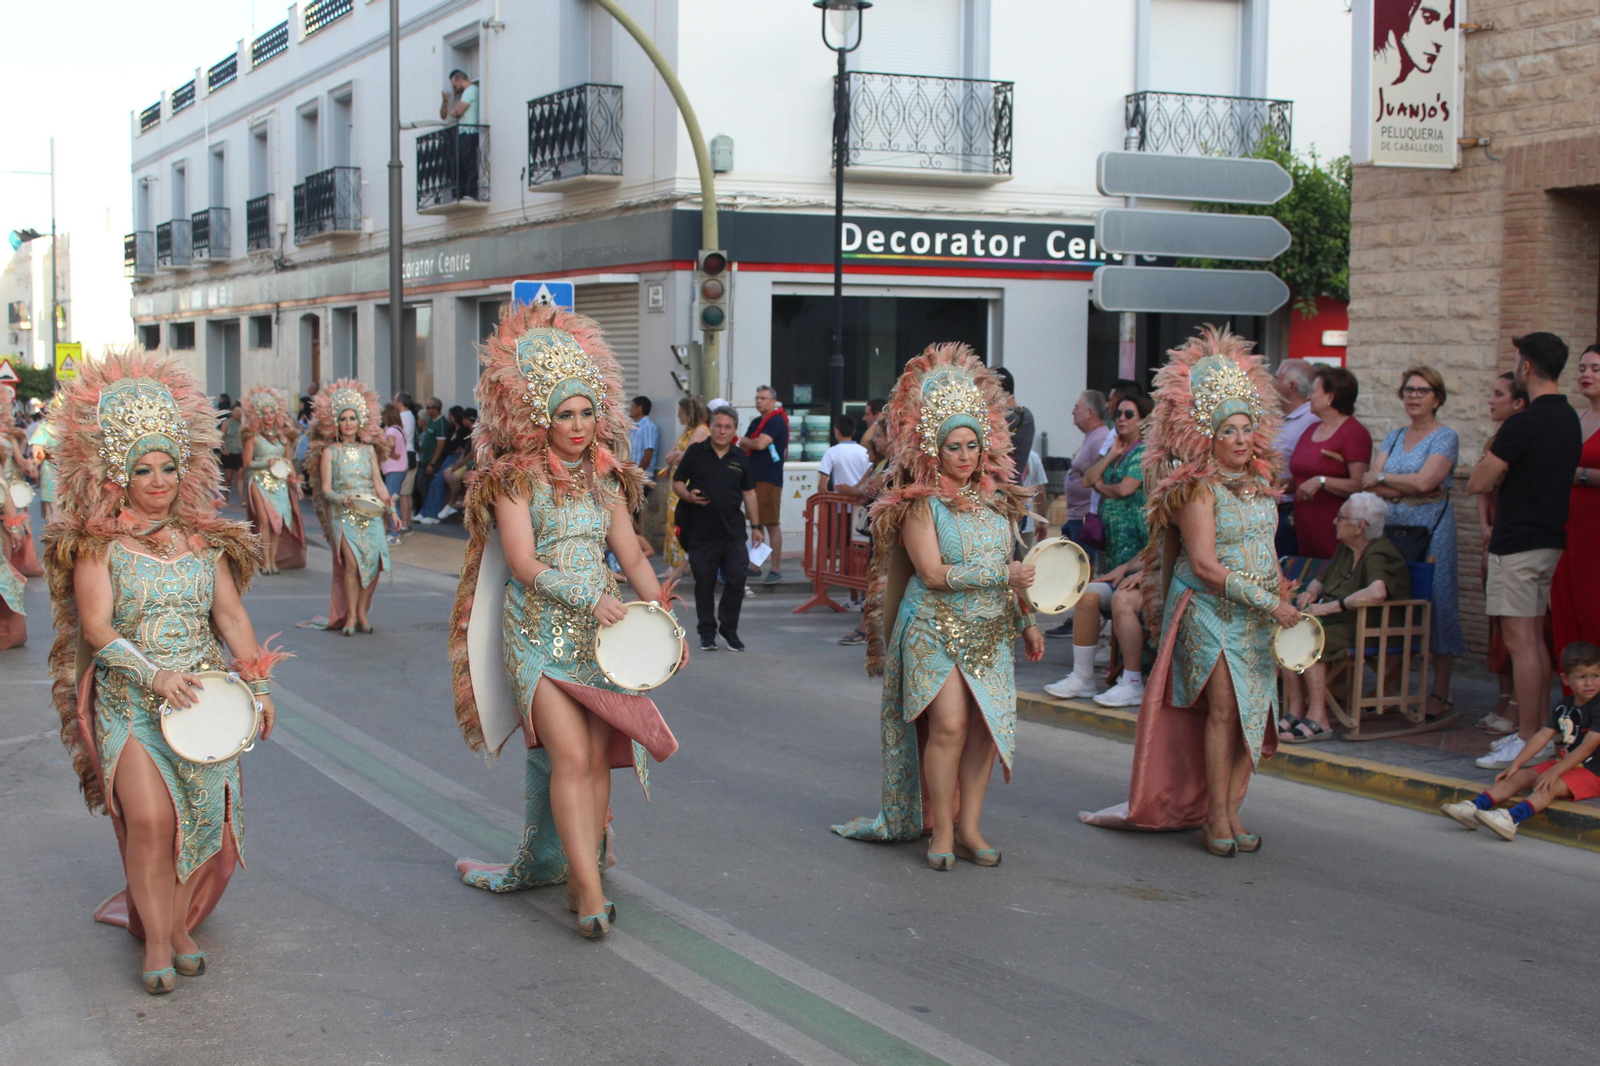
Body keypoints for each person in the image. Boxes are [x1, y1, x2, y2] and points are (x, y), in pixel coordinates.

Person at [43, 349, 287, 994]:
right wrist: (152, 676)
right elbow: (98, 628)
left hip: (205, 708)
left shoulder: (206, 543)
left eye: (168, 467)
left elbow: (231, 619)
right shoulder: (97, 546)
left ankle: (179, 924)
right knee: (150, 820)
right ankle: (156, 940)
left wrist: (258, 685)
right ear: (119, 476)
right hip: (131, 702)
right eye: (143, 469)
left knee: (199, 824)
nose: (158, 479)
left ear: (186, 471)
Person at [447, 304, 679, 939]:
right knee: (571, 754)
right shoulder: (515, 480)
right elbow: (522, 564)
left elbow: (630, 552)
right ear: (540, 416)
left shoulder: (605, 480)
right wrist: (586, 596)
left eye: (585, 412)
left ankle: (586, 875)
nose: (577, 426)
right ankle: (587, 889)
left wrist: (657, 614)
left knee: (598, 759)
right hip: (539, 634)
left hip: (601, 637)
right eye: (564, 414)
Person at [1083, 328, 1297, 856]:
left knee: (1250, 712)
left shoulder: (1261, 485)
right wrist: (1269, 601)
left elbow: (1266, 549)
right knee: (1223, 709)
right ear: (1209, 436)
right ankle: (1213, 818)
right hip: (1209, 609)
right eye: (1230, 430)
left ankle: (1230, 810)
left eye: (1248, 428)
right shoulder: (1196, 487)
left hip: (1256, 614)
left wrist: (1282, 591)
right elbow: (1203, 565)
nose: (1242, 439)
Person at [834, 343, 1044, 869]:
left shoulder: (1000, 503)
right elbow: (932, 574)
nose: (967, 455)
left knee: (982, 730)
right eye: (954, 446)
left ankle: (971, 827)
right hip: (934, 627)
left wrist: (1028, 620)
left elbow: (1011, 566)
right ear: (935, 448)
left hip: (991, 630)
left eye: (973, 444)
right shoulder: (917, 504)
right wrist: (1005, 576)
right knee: (949, 725)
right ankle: (943, 829)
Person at [1469, 332, 1582, 770]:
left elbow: (1479, 481)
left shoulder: (1526, 421)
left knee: (1522, 642)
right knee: (1533, 639)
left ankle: (1527, 736)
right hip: (1549, 539)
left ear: (1527, 367)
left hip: (1517, 543)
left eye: (1517, 359)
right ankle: (1533, 736)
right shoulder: (1569, 417)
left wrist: (1493, 463)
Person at [1363, 365, 1463, 717]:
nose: (1414, 397)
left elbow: (1424, 483)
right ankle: (1392, 683)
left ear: (1437, 398)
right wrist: (1401, 482)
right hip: (1393, 526)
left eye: (1422, 391)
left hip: (1432, 526)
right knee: (1394, 598)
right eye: (1409, 390)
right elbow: (1371, 484)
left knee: (1438, 600)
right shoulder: (1393, 436)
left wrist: (1388, 478)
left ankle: (1440, 691)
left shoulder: (1445, 436)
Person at [1044, 390, 1151, 704]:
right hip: (1119, 554)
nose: (1121, 419)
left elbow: (1121, 490)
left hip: (1142, 555)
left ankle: (1132, 681)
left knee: (1120, 598)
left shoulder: (1145, 454)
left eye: (1129, 414)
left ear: (1144, 420)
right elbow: (1089, 477)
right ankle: (1083, 678)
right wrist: (1111, 456)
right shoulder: (1118, 450)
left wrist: (1103, 484)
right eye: (1117, 413)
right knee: (1087, 594)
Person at [1278, 492, 1411, 742]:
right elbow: (1322, 579)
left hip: (1369, 627)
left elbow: (1377, 591)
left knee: (1310, 639)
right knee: (1287, 630)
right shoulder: (1346, 549)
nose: (1335, 522)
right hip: (1342, 624)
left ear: (1360, 526)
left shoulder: (1380, 551)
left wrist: (1330, 607)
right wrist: (1311, 591)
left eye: (1341, 518)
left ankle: (1319, 718)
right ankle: (1295, 710)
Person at [1440, 641, 1600, 842]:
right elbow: (1542, 735)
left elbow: (1588, 747)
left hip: (1594, 772)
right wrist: (1516, 764)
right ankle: (1473, 808)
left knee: (1547, 786)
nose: (1590, 683)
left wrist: (1555, 771)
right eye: (1582, 677)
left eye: (1596, 676)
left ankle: (1511, 819)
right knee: (1518, 776)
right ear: (1566, 679)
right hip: (1567, 763)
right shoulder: (1564, 706)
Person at [673, 407, 763, 651]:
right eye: (718, 426)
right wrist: (688, 496)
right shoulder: (695, 452)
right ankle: (707, 632)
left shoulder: (740, 457)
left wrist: (756, 526)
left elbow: (750, 493)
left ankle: (728, 629)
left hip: (733, 533)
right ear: (711, 427)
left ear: (735, 430)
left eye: (728, 427)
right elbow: (678, 482)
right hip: (701, 533)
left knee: (737, 578)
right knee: (704, 585)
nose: (722, 431)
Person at [309, 380, 391, 636]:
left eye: (352, 418)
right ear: (336, 422)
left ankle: (363, 613)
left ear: (360, 421)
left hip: (371, 514)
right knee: (352, 565)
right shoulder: (329, 452)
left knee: (370, 563)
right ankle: (351, 616)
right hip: (344, 514)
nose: (348, 423)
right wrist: (341, 499)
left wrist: (393, 510)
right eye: (343, 418)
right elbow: (325, 490)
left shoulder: (369, 451)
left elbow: (378, 483)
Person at [1475, 372, 1528, 734]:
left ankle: (1519, 706)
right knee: (1496, 623)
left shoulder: (1524, 437)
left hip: (1514, 540)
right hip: (1492, 537)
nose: (1491, 401)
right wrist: (1483, 528)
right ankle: (1503, 694)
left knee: (1517, 626)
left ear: (1518, 403)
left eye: (1498, 394)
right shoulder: (1495, 439)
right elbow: (1480, 487)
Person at [1549, 345, 1600, 693]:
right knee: (1567, 613)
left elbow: (1564, 470)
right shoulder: (1575, 418)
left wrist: (1577, 473)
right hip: (1566, 529)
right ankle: (1575, 709)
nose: (1586, 374)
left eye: (1596, 368)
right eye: (1582, 368)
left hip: (1595, 530)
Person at [1289, 365, 1371, 559]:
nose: (1308, 397)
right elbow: (1301, 479)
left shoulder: (1353, 433)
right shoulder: (1310, 430)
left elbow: (1360, 484)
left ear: (1330, 397)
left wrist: (1322, 481)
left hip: (1335, 529)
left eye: (1314, 391)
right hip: (1305, 529)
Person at [240, 385, 307, 574]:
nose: (269, 416)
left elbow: (288, 462)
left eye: (271, 413)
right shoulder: (252, 438)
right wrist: (265, 463)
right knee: (265, 520)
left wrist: (294, 481)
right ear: (259, 416)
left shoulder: (283, 439)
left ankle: (273, 561)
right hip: (259, 481)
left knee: (278, 522)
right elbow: (246, 463)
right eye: (265, 413)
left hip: (279, 483)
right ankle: (264, 561)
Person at [737, 386, 788, 582]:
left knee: (772, 524)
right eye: (757, 398)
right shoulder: (758, 421)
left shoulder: (775, 421)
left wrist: (747, 441)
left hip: (769, 478)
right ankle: (755, 565)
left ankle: (775, 569)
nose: (759, 401)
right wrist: (748, 441)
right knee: (757, 524)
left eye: (764, 398)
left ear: (773, 401)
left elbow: (758, 444)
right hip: (753, 478)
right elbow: (747, 443)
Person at [660, 396, 710, 581]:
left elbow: (686, 455)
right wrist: (678, 456)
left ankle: (680, 563)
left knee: (680, 521)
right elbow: (670, 456)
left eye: (681, 413)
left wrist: (678, 456)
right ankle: (673, 562)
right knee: (672, 521)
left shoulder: (700, 430)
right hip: (676, 481)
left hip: (687, 482)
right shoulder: (687, 431)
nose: (678, 416)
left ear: (689, 413)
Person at [1273, 359, 1317, 557]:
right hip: (1270, 506)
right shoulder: (1278, 417)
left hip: (1288, 508)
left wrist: (1273, 484)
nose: (1272, 384)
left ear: (1291, 386)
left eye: (1277, 379)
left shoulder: (1312, 419)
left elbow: (1311, 469)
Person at [1063, 390, 1111, 546]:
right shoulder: (1092, 436)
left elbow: (1102, 476)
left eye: (1077, 407)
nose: (1072, 412)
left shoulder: (1100, 438)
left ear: (1090, 412)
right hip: (1076, 518)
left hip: (1086, 519)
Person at [439, 69, 480, 200]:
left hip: (467, 131)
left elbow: (459, 112)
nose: (454, 89)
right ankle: (460, 193)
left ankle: (470, 193)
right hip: (457, 134)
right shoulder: (457, 96)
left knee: (469, 162)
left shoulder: (470, 91)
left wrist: (455, 112)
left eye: (455, 86)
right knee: (459, 165)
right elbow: (443, 115)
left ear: (460, 81)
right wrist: (445, 102)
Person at [380, 403, 409, 544]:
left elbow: (390, 444)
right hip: (401, 469)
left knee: (391, 502)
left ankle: (395, 533)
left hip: (393, 469)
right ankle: (396, 530)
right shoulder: (400, 429)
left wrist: (386, 451)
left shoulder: (391, 430)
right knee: (393, 500)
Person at [393, 391, 418, 534]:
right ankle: (407, 523)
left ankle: (404, 524)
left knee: (403, 492)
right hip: (411, 453)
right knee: (407, 493)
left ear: (400, 403)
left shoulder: (402, 416)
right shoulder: (411, 415)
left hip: (405, 454)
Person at [628, 395, 659, 473]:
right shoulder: (635, 427)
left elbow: (648, 454)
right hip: (632, 477)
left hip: (641, 480)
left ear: (639, 408)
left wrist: (638, 474)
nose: (630, 410)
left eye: (632, 406)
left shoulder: (648, 427)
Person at [221, 403, 245, 503]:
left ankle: (241, 499)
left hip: (240, 453)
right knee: (228, 477)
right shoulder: (226, 423)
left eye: (240, 412)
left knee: (240, 475)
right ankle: (226, 497)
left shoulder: (243, 424)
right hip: (228, 453)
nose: (238, 414)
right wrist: (224, 448)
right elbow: (221, 437)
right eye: (236, 411)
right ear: (232, 412)